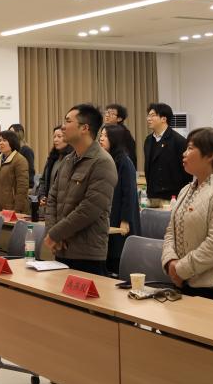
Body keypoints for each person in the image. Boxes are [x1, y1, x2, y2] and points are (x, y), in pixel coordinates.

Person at [161, 128, 213, 304]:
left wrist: (180, 269)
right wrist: (171, 262)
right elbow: (171, 232)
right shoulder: (185, 190)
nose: (184, 153)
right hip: (183, 280)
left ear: (210, 155)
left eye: (190, 148)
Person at [43, 104, 117, 275]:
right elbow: (52, 198)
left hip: (87, 254)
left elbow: (89, 209)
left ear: (84, 128)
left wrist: (56, 234)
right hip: (61, 248)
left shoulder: (102, 162)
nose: (63, 126)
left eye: (68, 121)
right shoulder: (68, 160)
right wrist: (53, 233)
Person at [100, 124, 140, 275]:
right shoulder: (105, 160)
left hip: (121, 217)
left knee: (119, 256)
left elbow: (129, 193)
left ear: (114, 139)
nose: (101, 139)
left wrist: (125, 219)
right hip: (109, 214)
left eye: (105, 136)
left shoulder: (124, 161)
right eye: (101, 135)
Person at [143, 102, 191, 207]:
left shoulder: (178, 141)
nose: (148, 119)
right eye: (148, 116)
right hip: (152, 195)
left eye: (152, 115)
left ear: (163, 119)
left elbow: (187, 172)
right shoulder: (148, 140)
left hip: (171, 197)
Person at [0, 130, 30, 214]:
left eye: (4, 140)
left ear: (12, 142)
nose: (1, 143)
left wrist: (17, 209)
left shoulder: (20, 160)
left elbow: (22, 188)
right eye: (0, 140)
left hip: (13, 209)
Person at [36, 126, 72, 205]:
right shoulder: (52, 159)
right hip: (49, 204)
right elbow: (43, 180)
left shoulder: (72, 158)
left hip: (63, 204)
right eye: (54, 137)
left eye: (59, 136)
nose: (55, 140)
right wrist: (41, 196)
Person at [104, 103, 138, 168]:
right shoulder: (105, 129)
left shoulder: (123, 132)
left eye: (112, 114)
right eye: (107, 112)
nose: (107, 115)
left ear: (119, 119)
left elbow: (128, 155)